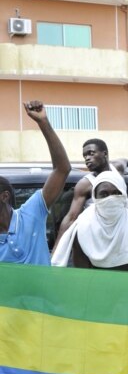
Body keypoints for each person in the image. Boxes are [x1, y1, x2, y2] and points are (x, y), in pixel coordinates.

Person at [0, 101, 71, 265]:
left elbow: (62, 169)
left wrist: (43, 122)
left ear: (4, 196)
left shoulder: (31, 213)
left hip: (42, 292)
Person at [51, 170, 128, 272]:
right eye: (104, 194)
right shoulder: (82, 228)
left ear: (123, 195)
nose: (110, 199)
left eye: (116, 193)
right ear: (95, 198)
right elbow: (83, 276)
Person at [55, 137, 115, 247]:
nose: (87, 158)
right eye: (85, 156)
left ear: (104, 154)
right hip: (98, 243)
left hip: (122, 240)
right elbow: (71, 217)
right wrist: (56, 250)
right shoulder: (85, 184)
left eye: (91, 153)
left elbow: (124, 162)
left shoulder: (116, 171)